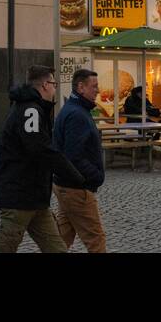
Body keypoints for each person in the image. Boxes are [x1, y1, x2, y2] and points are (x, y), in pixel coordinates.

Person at [0, 64, 84, 253]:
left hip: (36, 198)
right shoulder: (30, 110)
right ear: (46, 85)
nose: (55, 88)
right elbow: (40, 149)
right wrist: (72, 174)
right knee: (6, 248)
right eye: (54, 84)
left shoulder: (33, 108)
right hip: (18, 197)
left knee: (57, 248)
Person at [52, 69, 106, 253]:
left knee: (62, 238)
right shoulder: (77, 114)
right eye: (94, 86)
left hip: (65, 185)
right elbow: (73, 156)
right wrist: (95, 176)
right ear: (81, 87)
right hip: (76, 189)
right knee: (95, 239)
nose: (97, 90)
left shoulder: (73, 109)